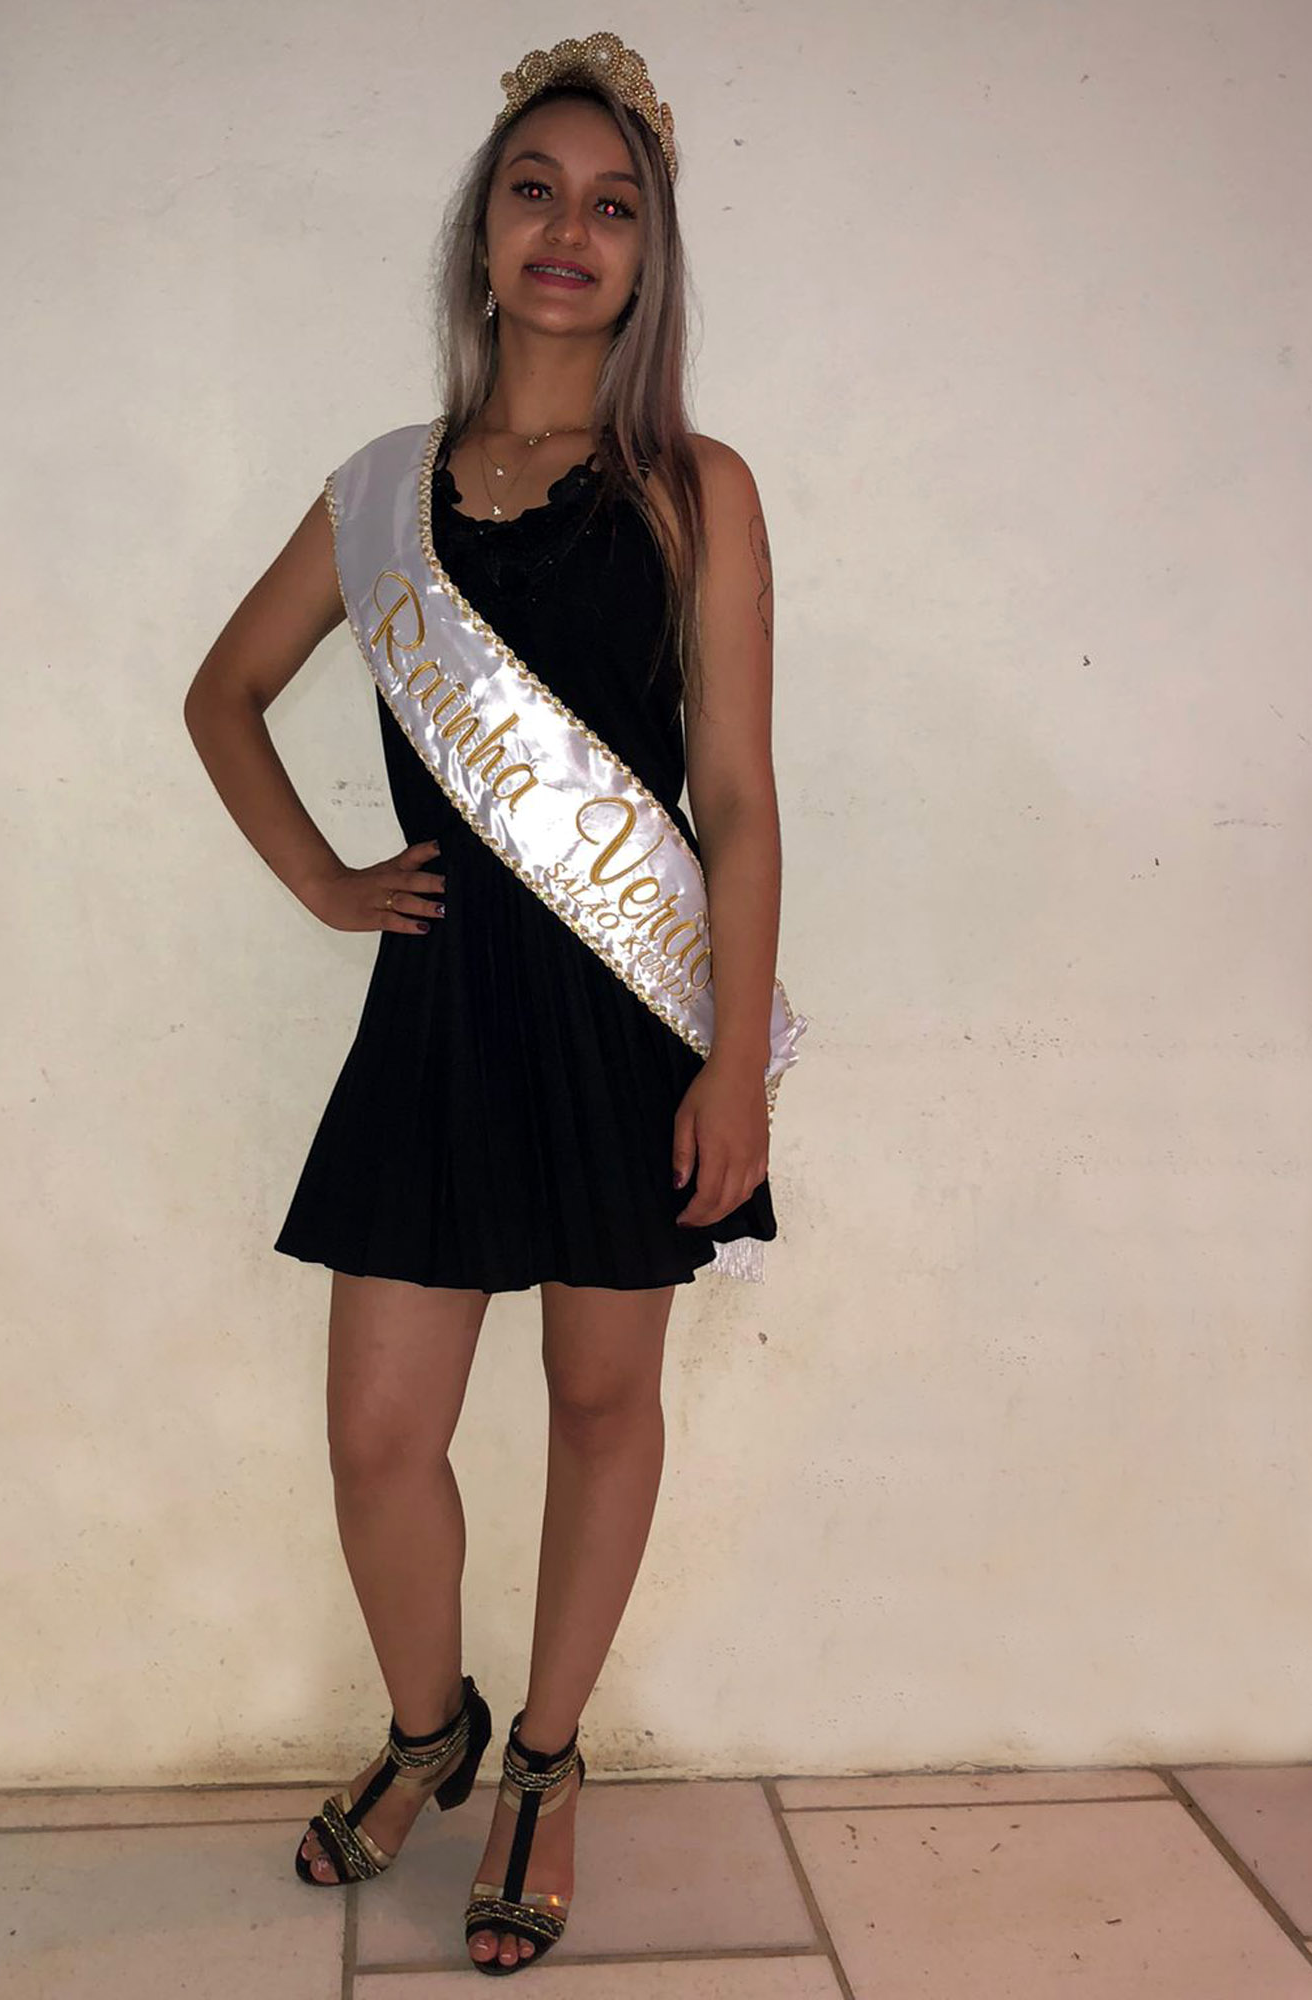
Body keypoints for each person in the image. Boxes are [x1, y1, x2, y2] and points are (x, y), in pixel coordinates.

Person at [183, 29, 804, 1977]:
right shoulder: (381, 493)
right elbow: (222, 693)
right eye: (536, 190)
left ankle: (543, 1759)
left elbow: (738, 799)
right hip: (440, 1011)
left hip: (626, 1021)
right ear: (483, 230)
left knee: (602, 1399)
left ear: (647, 259)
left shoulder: (696, 489)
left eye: (614, 207)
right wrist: (322, 878)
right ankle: (426, 1724)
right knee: (380, 1434)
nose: (570, 230)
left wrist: (735, 1062)